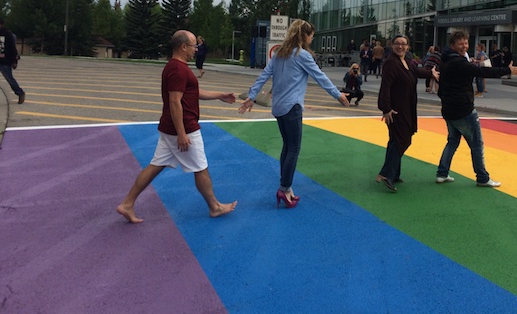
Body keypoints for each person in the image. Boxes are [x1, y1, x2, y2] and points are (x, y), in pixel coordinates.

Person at [116, 30, 238, 224]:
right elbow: (175, 102)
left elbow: (193, 92)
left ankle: (127, 204)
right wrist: (182, 133)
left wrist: (220, 95)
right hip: (183, 129)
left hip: (170, 129)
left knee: (156, 166)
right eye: (193, 46)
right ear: (183, 47)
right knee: (201, 168)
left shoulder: (177, 68)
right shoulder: (178, 70)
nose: (196, 50)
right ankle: (215, 207)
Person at [239, 20, 349, 208]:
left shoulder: (279, 54)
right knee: (294, 148)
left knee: (287, 147)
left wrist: (251, 96)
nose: (311, 40)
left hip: (279, 108)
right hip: (292, 107)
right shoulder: (302, 55)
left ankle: (287, 189)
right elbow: (320, 77)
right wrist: (338, 95)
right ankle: (284, 188)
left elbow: (263, 76)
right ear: (304, 36)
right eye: (311, 36)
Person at [436, 30, 517, 187]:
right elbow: (481, 71)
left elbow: (442, 87)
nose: (464, 46)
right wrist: (507, 70)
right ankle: (482, 177)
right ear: (452, 45)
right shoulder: (458, 62)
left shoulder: (447, 60)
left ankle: (442, 173)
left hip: (449, 109)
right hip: (463, 109)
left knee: (452, 141)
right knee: (477, 143)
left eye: (466, 43)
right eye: (460, 44)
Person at [375, 35, 439, 192]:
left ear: (408, 47)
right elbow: (386, 87)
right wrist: (386, 108)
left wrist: (431, 74)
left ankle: (394, 174)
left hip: (406, 107)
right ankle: (386, 174)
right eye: (397, 44)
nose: (400, 47)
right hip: (396, 109)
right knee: (402, 140)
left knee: (395, 140)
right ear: (392, 46)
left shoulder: (405, 61)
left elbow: (416, 72)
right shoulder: (391, 63)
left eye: (403, 44)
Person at [0, 17, 26, 104]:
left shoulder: (7, 34)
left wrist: (15, 61)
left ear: (2, 24)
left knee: (9, 79)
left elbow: (12, 48)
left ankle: (20, 93)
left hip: (5, 61)